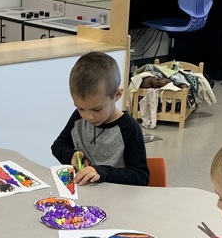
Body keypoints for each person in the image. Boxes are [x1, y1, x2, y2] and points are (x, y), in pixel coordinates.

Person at [51, 51, 149, 187]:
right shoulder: (78, 118)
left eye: (97, 109)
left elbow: (140, 177)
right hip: (83, 197)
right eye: (80, 108)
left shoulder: (129, 128)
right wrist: (71, 156)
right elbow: (58, 146)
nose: (88, 116)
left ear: (117, 95)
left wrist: (102, 172)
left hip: (116, 199)